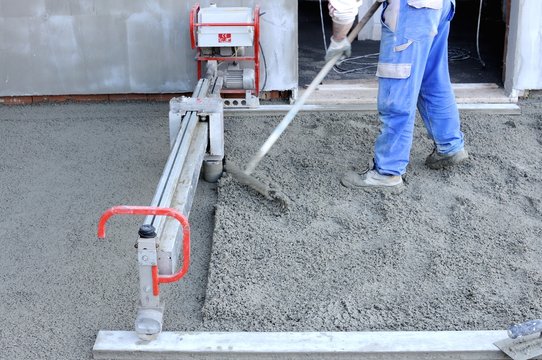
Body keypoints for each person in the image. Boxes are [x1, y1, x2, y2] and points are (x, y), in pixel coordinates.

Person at [326, 0, 468, 191]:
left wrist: (338, 40)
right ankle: (449, 145)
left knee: (397, 91)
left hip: (412, 12)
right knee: (431, 76)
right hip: (439, 5)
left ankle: (387, 172)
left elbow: (343, 9)